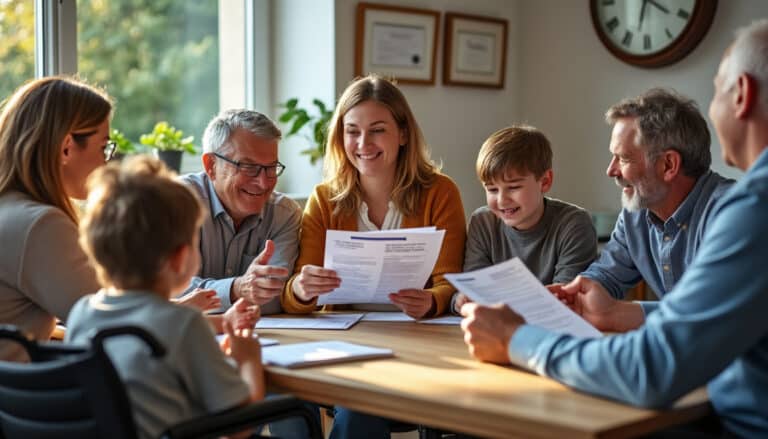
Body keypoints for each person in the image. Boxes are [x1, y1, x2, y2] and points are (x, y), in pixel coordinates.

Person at [461, 19, 768, 438]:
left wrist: (517, 339)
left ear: (743, 95)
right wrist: (595, 300)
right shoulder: (639, 213)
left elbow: (653, 366)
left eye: (716, 89)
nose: (609, 172)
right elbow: (615, 284)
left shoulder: (747, 210)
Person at [280, 75, 467, 438]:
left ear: (403, 134)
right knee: (348, 402)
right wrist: (303, 289)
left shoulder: (440, 193)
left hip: (418, 345)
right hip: (344, 346)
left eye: (377, 130)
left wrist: (431, 301)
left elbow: (450, 284)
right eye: (352, 131)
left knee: (360, 405)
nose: (363, 143)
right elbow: (298, 293)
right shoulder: (324, 199)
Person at [66, 156, 264, 439]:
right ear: (181, 258)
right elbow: (239, 427)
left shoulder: (82, 313)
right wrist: (247, 359)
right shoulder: (183, 323)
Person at [550, 88, 734, 331]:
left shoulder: (731, 214)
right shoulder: (636, 213)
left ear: (668, 164)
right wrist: (569, 296)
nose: (611, 170)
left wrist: (617, 313)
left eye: (623, 159)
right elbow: (606, 276)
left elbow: (713, 314)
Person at [0, 76, 112, 361]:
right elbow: (111, 322)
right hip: (18, 401)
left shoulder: (10, 210)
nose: (105, 162)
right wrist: (214, 322)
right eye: (103, 147)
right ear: (66, 147)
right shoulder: (39, 225)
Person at [452, 125, 597, 314]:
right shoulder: (483, 222)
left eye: (513, 187)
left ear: (544, 181)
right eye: (492, 190)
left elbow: (565, 299)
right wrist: (460, 300)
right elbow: (474, 286)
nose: (502, 200)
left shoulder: (574, 224)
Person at [180, 109, 302, 315]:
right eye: (248, 166)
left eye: (271, 167)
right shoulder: (177, 202)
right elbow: (168, 292)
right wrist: (236, 289)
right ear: (211, 165)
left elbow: (274, 297)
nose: (263, 182)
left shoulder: (284, 214)